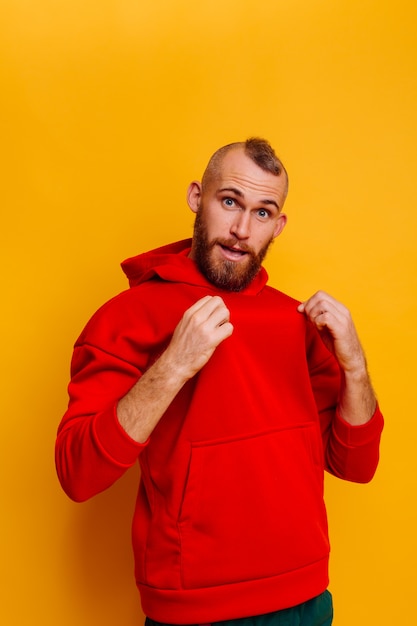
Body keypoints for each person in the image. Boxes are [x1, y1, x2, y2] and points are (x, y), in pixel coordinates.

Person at [56, 138, 383, 626]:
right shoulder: (126, 318)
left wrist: (355, 366)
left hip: (307, 597)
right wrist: (173, 365)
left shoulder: (293, 320)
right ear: (196, 197)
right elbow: (77, 472)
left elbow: (355, 464)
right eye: (229, 201)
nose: (240, 230)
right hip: (196, 608)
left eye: (262, 212)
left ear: (280, 224)